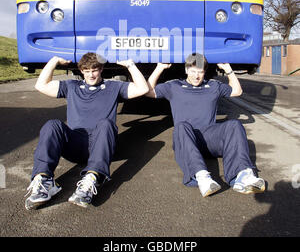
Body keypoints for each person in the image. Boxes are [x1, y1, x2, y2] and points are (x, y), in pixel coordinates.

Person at [25, 53, 149, 210]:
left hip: (101, 146)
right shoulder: (72, 87)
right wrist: (54, 61)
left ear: (101, 69)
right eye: (87, 70)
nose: (91, 74)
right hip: (75, 146)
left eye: (95, 70)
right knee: (52, 125)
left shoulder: (113, 87)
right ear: (81, 71)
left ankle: (91, 181)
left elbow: (143, 88)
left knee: (106, 124)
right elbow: (41, 85)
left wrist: (130, 65)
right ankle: (44, 181)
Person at [146, 53, 265, 197]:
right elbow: (149, 92)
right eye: (193, 71)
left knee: (234, 125)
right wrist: (159, 68)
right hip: (186, 141)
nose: (196, 76)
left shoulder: (213, 86)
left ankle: (242, 176)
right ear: (186, 70)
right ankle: (202, 177)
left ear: (204, 72)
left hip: (208, 139)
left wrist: (228, 69)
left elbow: (237, 91)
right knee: (182, 126)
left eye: (200, 72)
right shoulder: (174, 86)